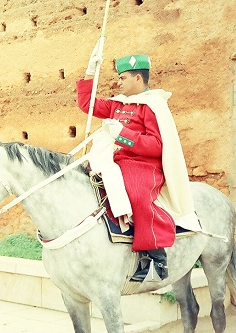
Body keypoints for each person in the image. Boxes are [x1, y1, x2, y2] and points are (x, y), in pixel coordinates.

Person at [76, 46, 195, 282]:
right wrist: (90, 73)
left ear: (138, 78)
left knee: (137, 194)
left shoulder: (153, 106)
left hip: (144, 165)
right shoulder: (117, 104)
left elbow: (157, 145)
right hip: (115, 161)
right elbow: (87, 105)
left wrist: (122, 134)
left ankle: (154, 253)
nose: (118, 83)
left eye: (123, 78)